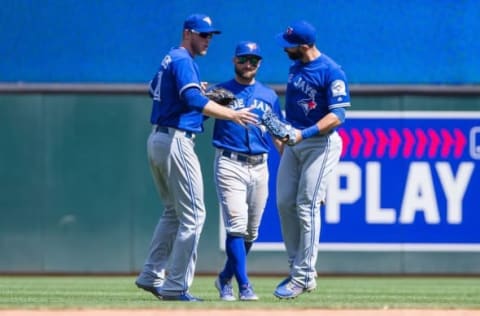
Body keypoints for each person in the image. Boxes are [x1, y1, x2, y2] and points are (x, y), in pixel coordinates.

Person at [134, 13, 258, 302]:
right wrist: (231, 113)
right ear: (187, 32)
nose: (207, 40)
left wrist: (198, 91)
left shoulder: (171, 59)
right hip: (177, 140)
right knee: (194, 215)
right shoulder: (183, 61)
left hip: (159, 138)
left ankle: (152, 274)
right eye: (203, 34)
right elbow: (192, 100)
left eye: (210, 35)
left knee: (173, 213)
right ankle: (176, 285)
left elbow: (153, 88)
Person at [272, 20, 351, 299]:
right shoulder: (295, 67)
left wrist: (302, 134)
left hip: (320, 143)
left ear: (304, 46)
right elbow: (294, 109)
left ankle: (304, 275)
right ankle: (297, 269)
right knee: (284, 202)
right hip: (294, 143)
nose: (285, 49)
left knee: (307, 205)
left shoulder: (331, 71)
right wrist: (282, 134)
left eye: (289, 45)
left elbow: (338, 115)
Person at [209, 41, 284, 301]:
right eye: (243, 59)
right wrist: (203, 95)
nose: (248, 64)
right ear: (234, 61)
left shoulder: (269, 95)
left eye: (253, 59)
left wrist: (292, 163)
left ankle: (223, 278)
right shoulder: (221, 91)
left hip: (260, 166)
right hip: (230, 162)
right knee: (237, 227)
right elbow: (197, 114)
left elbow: (279, 134)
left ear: (260, 63)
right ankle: (244, 286)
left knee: (251, 232)